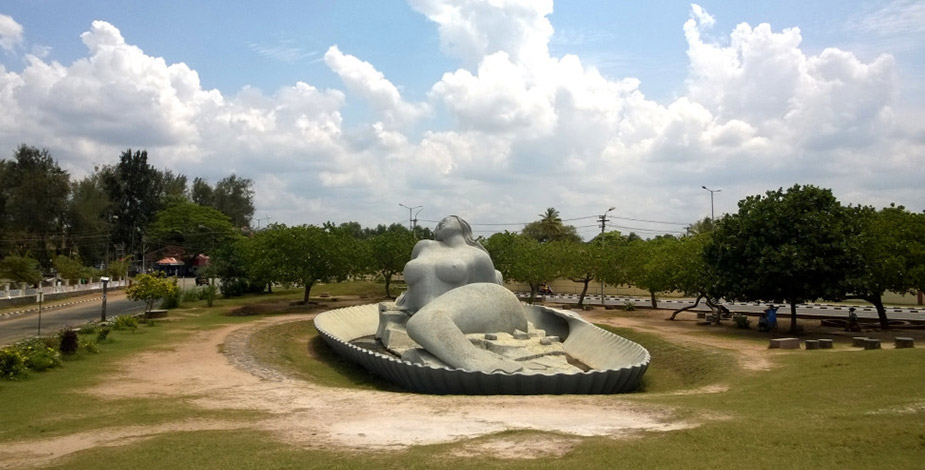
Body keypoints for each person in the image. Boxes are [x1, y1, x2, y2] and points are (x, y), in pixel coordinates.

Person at [397, 215, 527, 373]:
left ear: (463, 226)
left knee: (421, 322)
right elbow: (414, 284)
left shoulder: (479, 256)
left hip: (450, 310)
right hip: (424, 312)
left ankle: (483, 365)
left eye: (450, 218)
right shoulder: (423, 246)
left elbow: (488, 293)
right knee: (422, 321)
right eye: (439, 221)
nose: (441, 221)